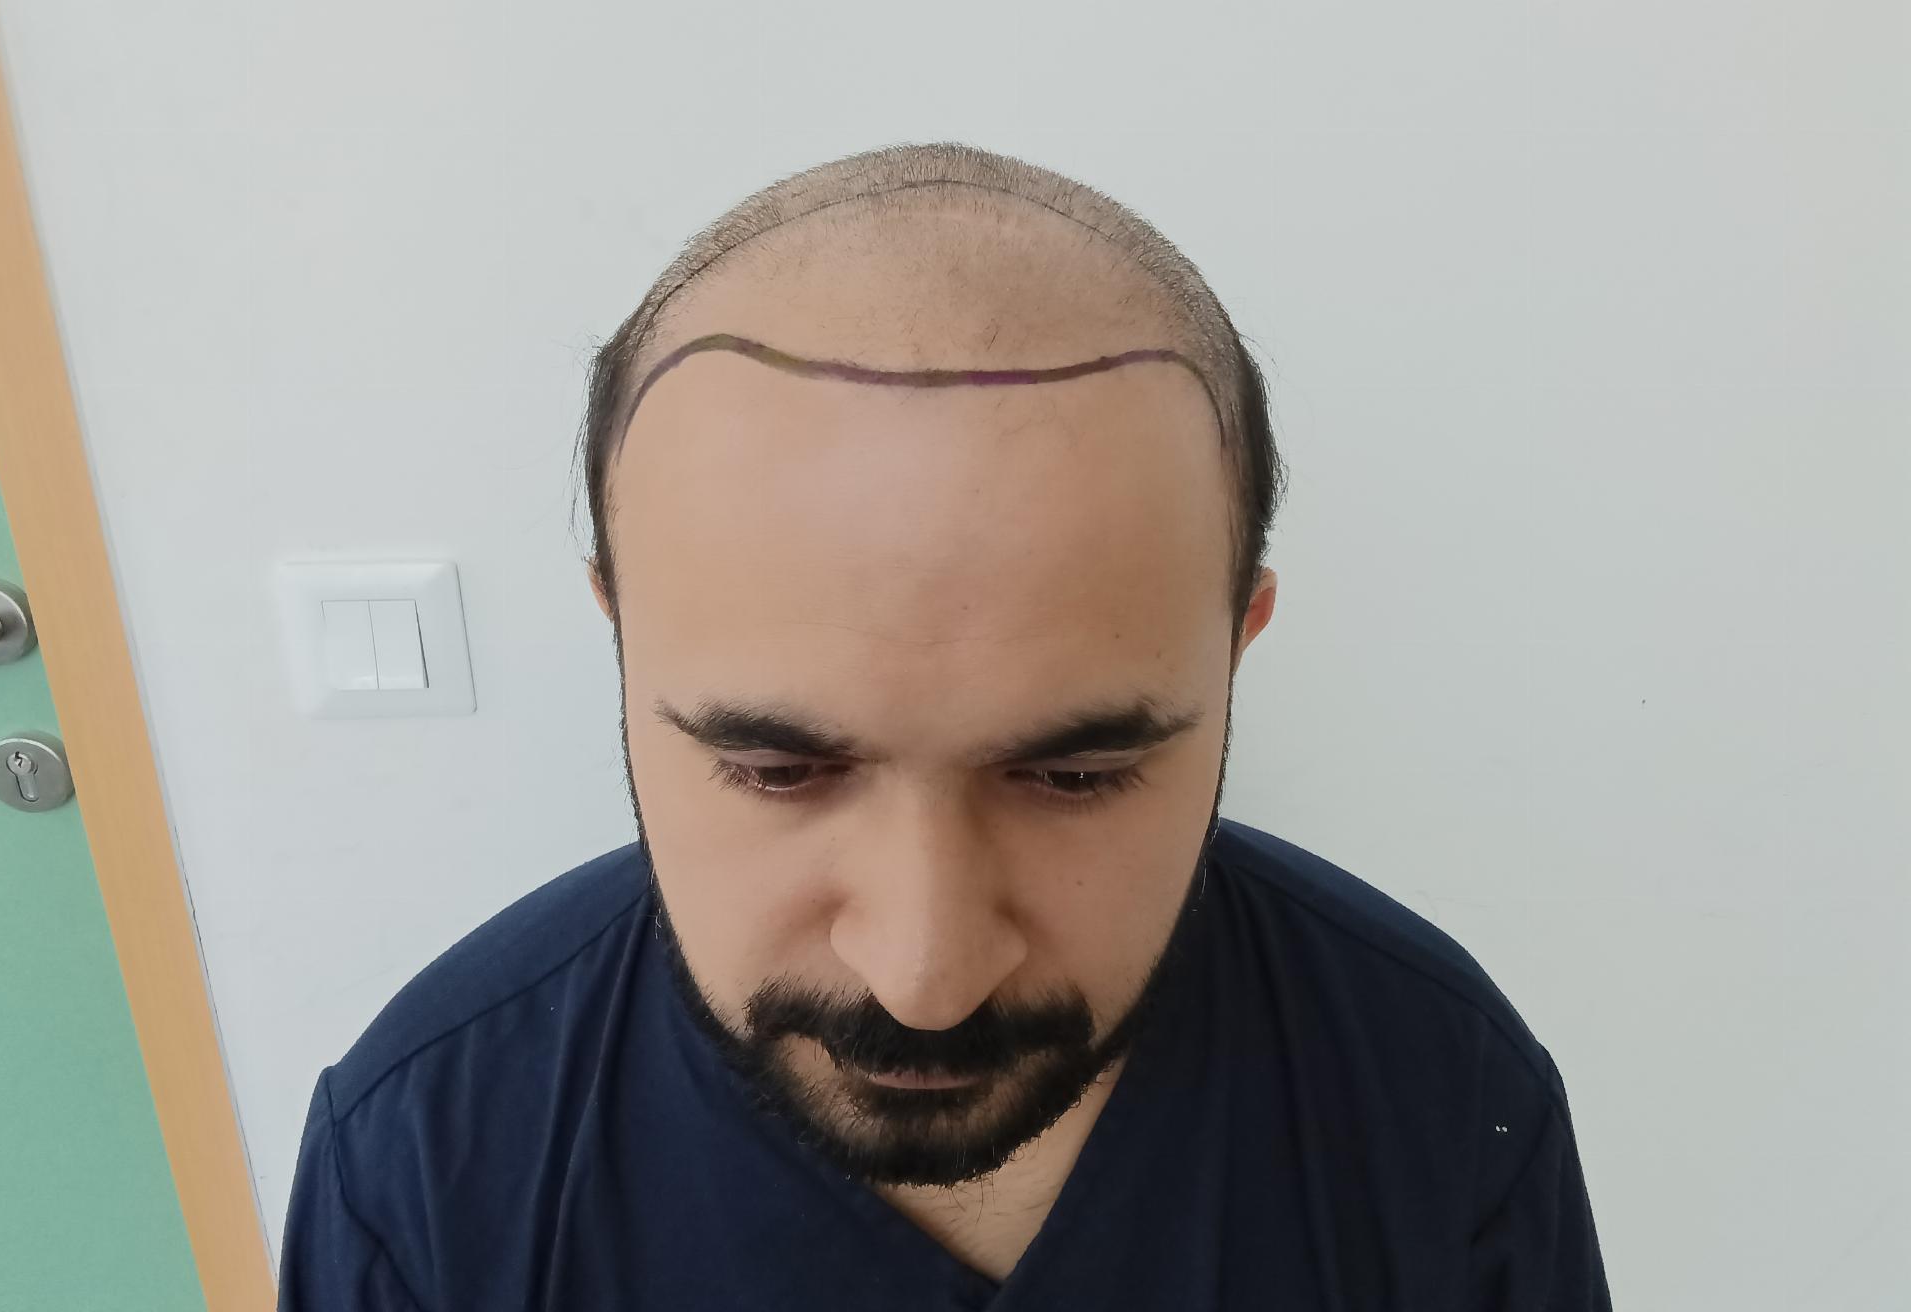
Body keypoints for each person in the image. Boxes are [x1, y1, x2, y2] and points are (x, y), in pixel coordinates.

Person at [276, 141, 1611, 1309]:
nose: (926, 976)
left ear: (1238, 647)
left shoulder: (1439, 1100)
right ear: (621, 643)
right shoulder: (429, 1166)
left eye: (1077, 776)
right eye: (776, 769)